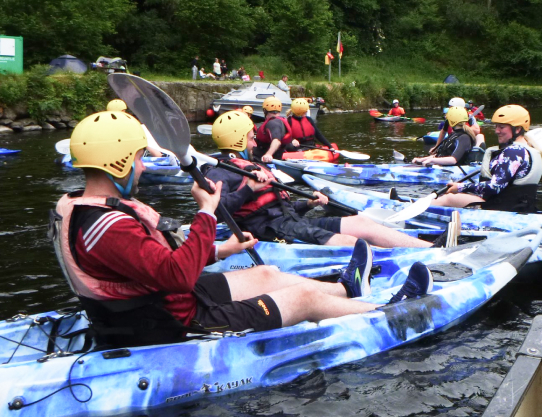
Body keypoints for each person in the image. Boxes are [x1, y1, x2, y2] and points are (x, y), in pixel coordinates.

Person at [50, 109, 432, 348]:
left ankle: (344, 289)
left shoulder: (92, 208)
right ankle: (388, 311)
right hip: (168, 322)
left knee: (266, 272)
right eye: (137, 160)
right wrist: (206, 213)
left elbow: (157, 262)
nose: (144, 167)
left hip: (161, 299)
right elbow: (177, 275)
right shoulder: (106, 227)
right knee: (302, 301)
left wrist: (220, 251)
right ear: (117, 162)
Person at [205, 110, 438, 249]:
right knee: (350, 243)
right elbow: (215, 211)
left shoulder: (251, 164)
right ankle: (415, 255)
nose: (255, 142)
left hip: (292, 222)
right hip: (272, 232)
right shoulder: (220, 172)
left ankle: (435, 248)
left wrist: (308, 204)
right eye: (250, 137)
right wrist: (248, 188)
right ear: (237, 140)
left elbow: (278, 206)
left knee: (361, 223)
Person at [433, 105, 542, 212]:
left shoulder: (513, 152)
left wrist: (460, 187)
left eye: (502, 127)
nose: (497, 131)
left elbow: (495, 187)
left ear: (517, 129)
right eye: (496, 126)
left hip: (501, 207)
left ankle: (420, 210)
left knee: (448, 198)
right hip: (519, 206)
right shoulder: (530, 149)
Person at [253, 97, 295, 162]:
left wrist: (269, 154)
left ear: (264, 110)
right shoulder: (278, 121)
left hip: (263, 158)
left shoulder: (273, 123)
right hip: (272, 154)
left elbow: (277, 141)